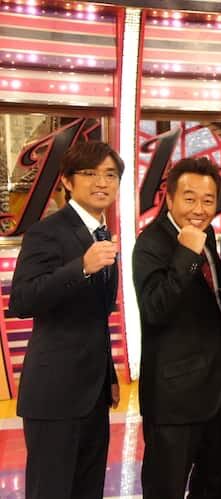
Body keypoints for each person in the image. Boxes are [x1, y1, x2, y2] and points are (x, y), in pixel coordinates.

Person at [9, 141, 122, 499]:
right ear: (68, 182)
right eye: (90, 173)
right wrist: (81, 268)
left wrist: (109, 376)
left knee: (88, 490)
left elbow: (96, 317)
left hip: (94, 394)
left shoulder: (102, 233)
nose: (102, 182)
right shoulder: (47, 231)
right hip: (55, 394)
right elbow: (22, 300)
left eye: (110, 175)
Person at [133, 157, 221, 499]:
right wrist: (186, 254)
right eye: (189, 199)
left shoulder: (207, 236)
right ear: (169, 197)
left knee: (213, 484)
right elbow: (155, 309)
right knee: (166, 488)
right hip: (172, 399)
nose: (199, 209)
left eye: (208, 200)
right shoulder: (151, 243)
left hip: (213, 392)